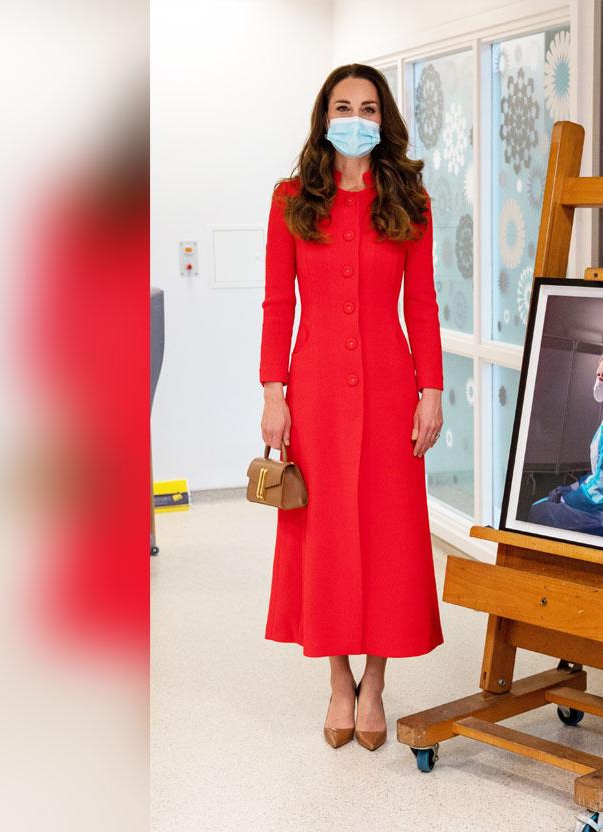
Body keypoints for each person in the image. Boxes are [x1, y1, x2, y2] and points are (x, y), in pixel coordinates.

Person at [258, 64, 445, 751]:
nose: (356, 117)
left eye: (368, 107)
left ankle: (377, 678)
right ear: (324, 117)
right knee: (326, 531)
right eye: (344, 106)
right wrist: (273, 393)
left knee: (387, 532)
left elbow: (421, 303)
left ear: (383, 119)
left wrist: (433, 390)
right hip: (313, 391)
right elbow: (279, 302)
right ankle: (338, 681)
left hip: (393, 385)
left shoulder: (410, 199)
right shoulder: (289, 200)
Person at [528, 348, 603, 541]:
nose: (599, 381)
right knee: (548, 502)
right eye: (598, 375)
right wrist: (570, 488)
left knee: (538, 511)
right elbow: (602, 473)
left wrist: (568, 498)